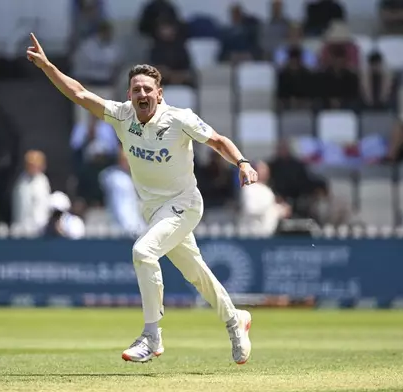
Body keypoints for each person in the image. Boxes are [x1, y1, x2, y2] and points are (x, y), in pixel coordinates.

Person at [26, 33, 257, 365]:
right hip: (154, 211)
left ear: (159, 94)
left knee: (143, 252)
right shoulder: (122, 116)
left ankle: (152, 335)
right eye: (137, 90)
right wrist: (48, 67)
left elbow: (218, 140)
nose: (143, 94)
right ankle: (236, 319)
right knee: (196, 273)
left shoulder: (179, 118)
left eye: (148, 89)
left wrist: (243, 163)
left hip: (185, 204)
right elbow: (78, 93)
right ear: (129, 95)